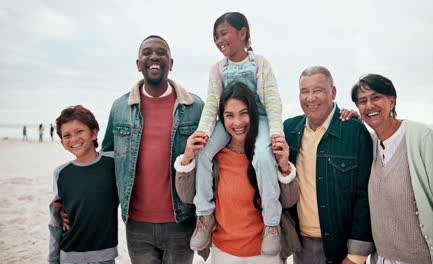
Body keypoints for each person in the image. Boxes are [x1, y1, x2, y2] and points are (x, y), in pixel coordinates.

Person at [101, 35, 204, 264]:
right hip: (137, 224)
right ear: (138, 64)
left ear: (171, 62)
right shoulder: (120, 107)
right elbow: (107, 159)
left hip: (182, 221)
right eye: (147, 52)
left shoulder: (195, 107)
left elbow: (212, 161)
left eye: (161, 52)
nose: (154, 56)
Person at [175, 82, 299, 263]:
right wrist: (187, 158)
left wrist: (284, 167)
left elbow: (289, 201)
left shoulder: (267, 153)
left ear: (253, 114)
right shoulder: (213, 156)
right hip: (223, 251)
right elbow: (187, 197)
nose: (237, 122)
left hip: (265, 254)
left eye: (243, 113)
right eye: (229, 115)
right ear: (221, 119)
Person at [193, 11, 283, 255]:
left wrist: (276, 133)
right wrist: (203, 132)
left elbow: (272, 101)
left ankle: (272, 224)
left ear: (242, 33)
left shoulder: (260, 64)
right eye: (215, 36)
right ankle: (204, 215)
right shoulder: (217, 69)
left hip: (259, 119)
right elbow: (212, 104)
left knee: (263, 158)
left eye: (224, 33)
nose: (219, 40)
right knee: (202, 153)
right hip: (229, 120)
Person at [351, 74, 433, 264]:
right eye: (362, 101)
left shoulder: (423, 138)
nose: (369, 105)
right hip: (380, 260)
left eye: (376, 97)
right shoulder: (368, 144)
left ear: (392, 101)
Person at [284, 66, 374, 264]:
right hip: (301, 245)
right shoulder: (289, 130)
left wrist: (357, 254)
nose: (310, 98)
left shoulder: (354, 131)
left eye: (318, 90)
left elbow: (365, 194)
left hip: (343, 249)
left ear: (333, 92)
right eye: (304, 91)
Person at [48, 105, 119, 264]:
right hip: (69, 255)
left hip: (105, 256)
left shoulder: (113, 163)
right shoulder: (61, 173)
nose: (74, 139)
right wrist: (53, 258)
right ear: (62, 142)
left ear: (94, 133)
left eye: (79, 131)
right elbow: (55, 219)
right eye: (67, 135)